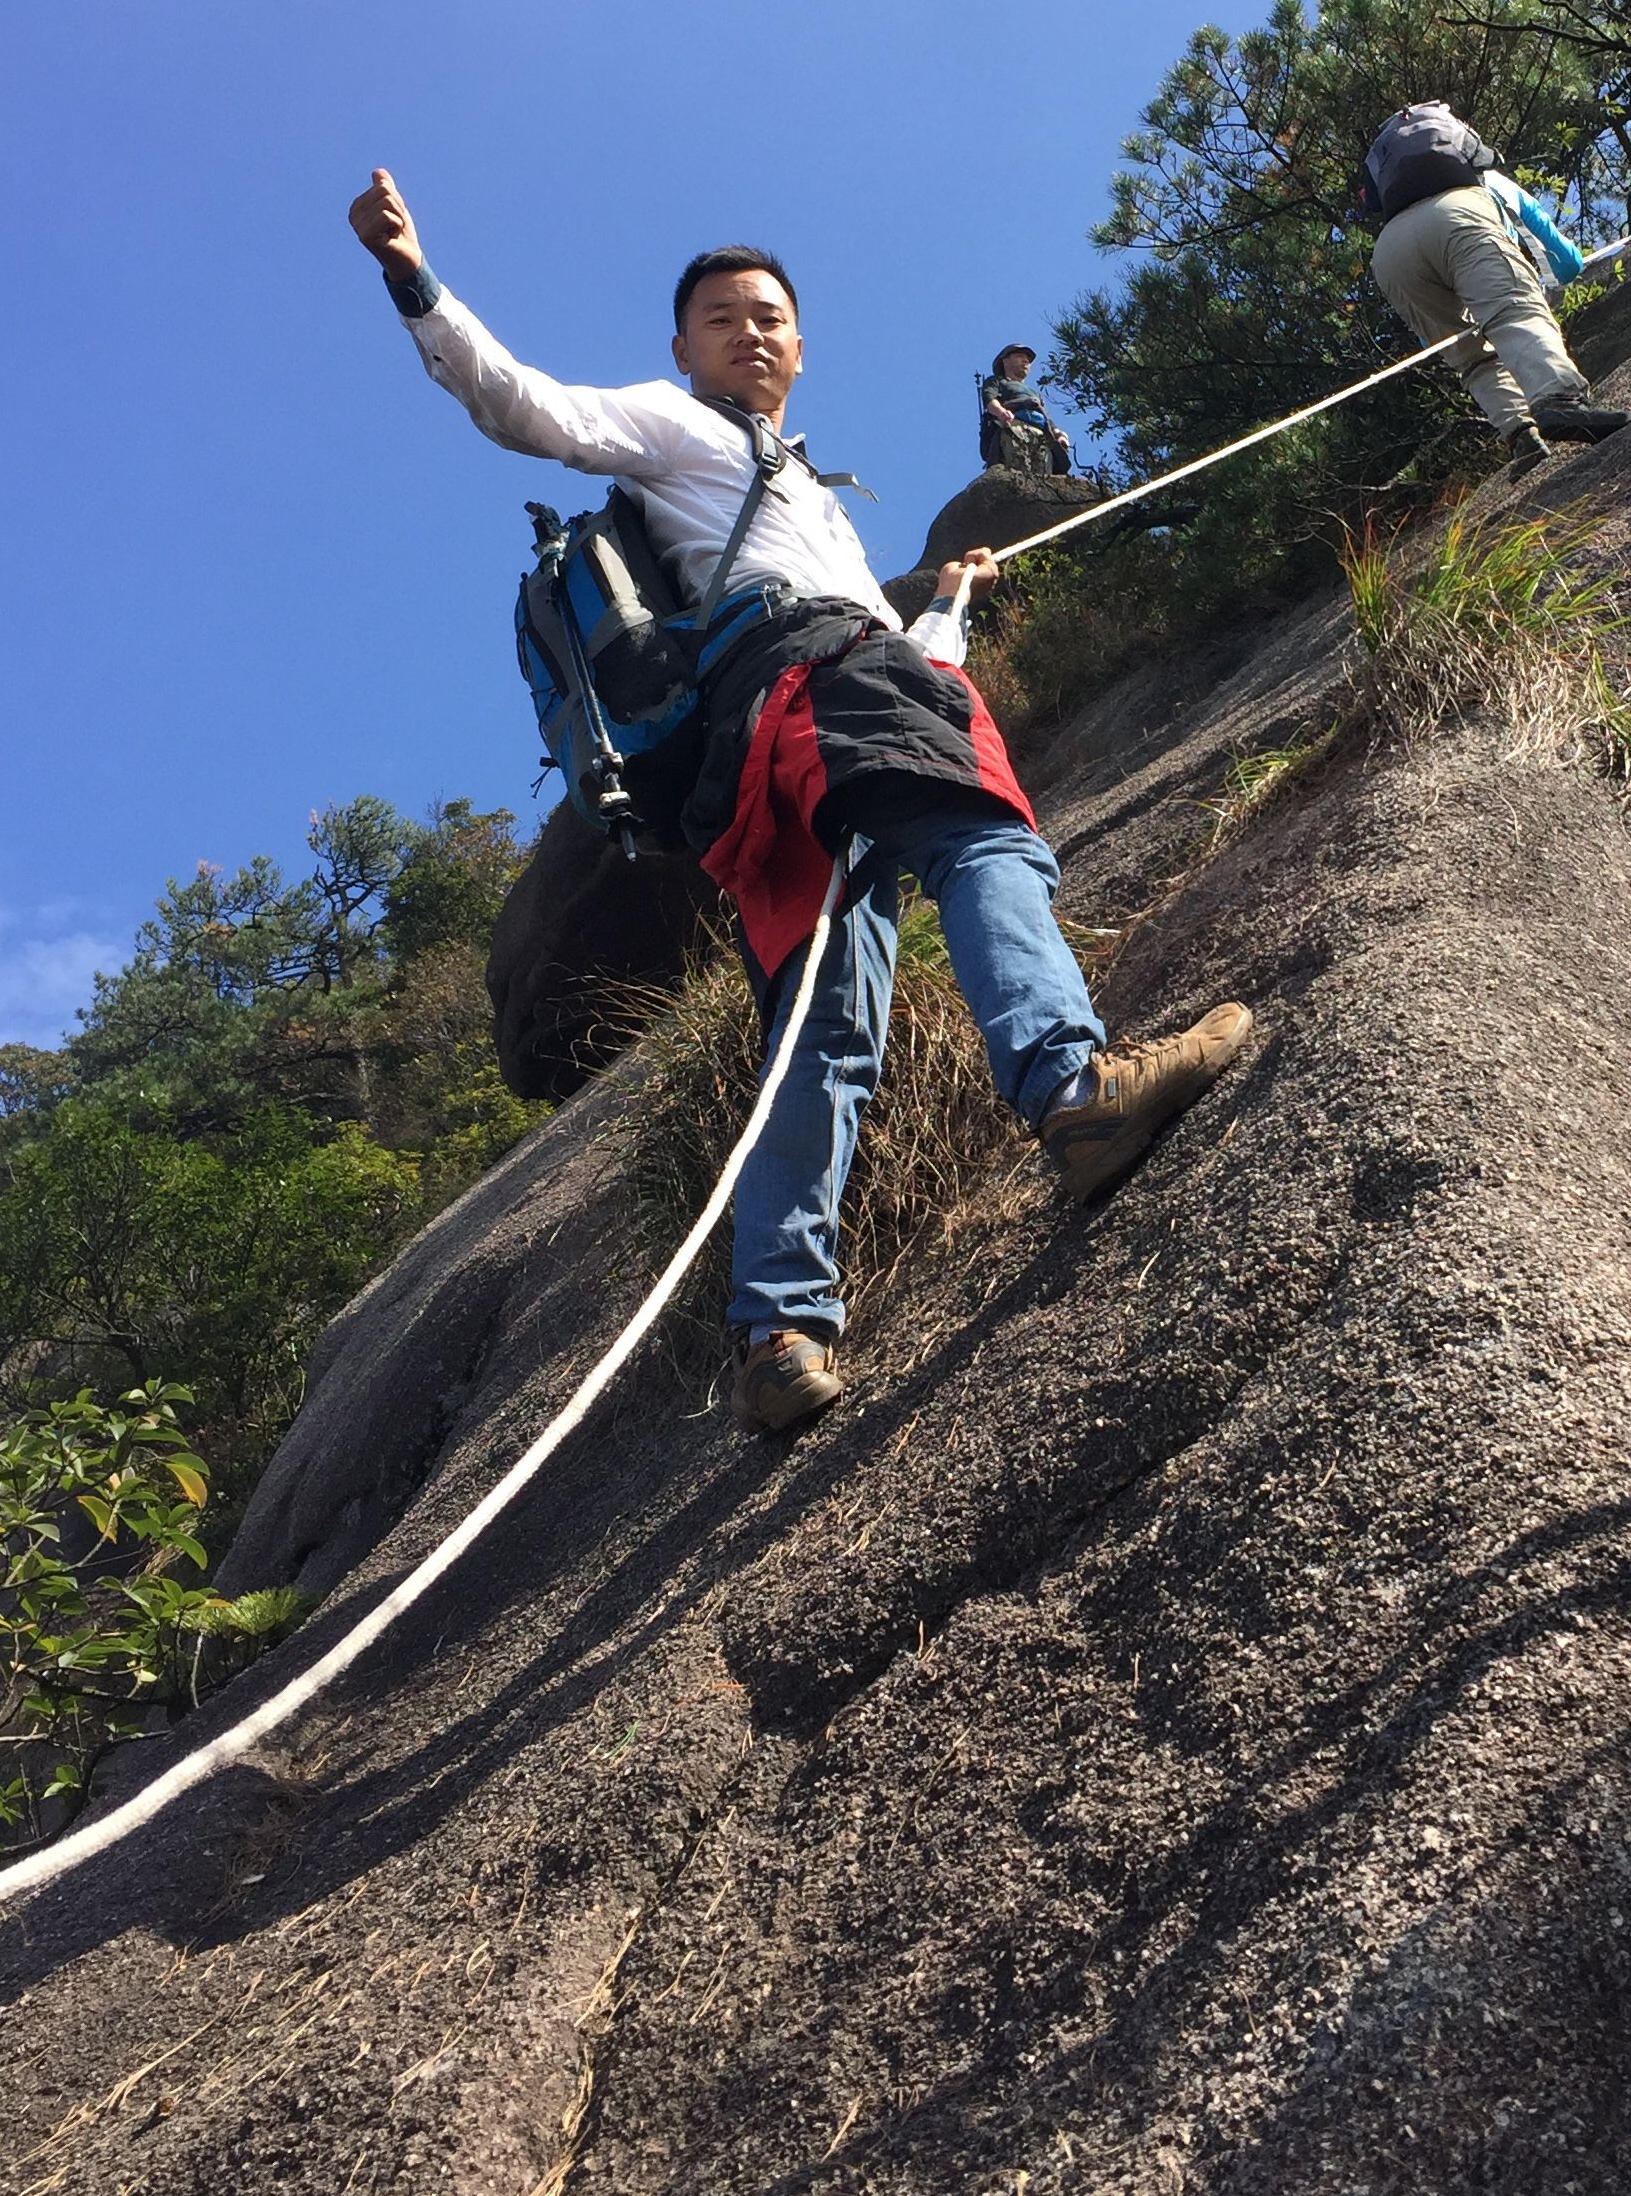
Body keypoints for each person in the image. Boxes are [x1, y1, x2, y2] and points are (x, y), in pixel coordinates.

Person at [345, 170, 1252, 1436]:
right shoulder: (674, 427)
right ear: (682, 347)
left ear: (802, 347)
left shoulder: (802, 490)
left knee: (821, 1033)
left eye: (769, 315)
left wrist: (953, 602)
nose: (750, 330)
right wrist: (412, 276)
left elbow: (915, 656)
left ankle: (777, 1330)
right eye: (722, 316)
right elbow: (522, 407)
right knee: (984, 840)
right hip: (819, 686)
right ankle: (1069, 1086)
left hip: (758, 757)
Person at [1360, 102, 1629, 476]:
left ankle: (1521, 434)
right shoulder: (1493, 182)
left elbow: (1434, 340)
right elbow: (1566, 264)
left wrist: (1448, 335)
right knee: (1514, 310)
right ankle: (1559, 397)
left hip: (1389, 253)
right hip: (1459, 215)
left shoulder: (1393, 200)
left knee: (1470, 358)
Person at [979, 344, 1074, 478]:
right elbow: (990, 400)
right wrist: (1001, 412)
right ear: (1005, 361)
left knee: (1043, 473)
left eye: (1027, 360)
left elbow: (1045, 416)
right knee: (1019, 465)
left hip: (1042, 433)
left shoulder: (1034, 394)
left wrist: (1059, 434)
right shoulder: (997, 382)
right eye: (1019, 357)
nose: (1025, 362)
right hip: (1015, 426)